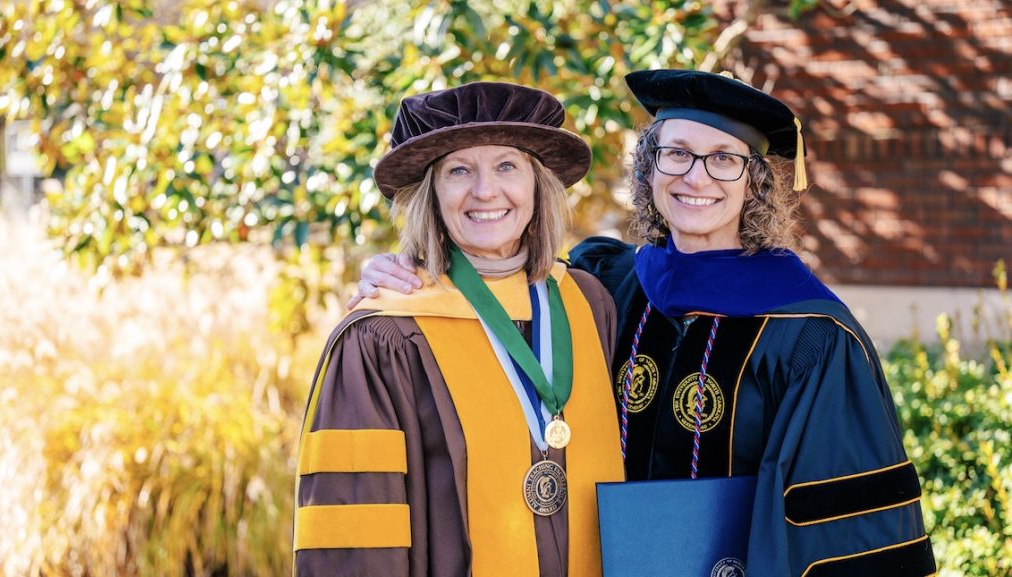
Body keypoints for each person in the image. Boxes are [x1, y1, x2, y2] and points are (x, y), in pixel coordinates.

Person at [351, 69, 937, 576]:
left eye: (723, 159)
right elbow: (492, 304)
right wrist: (412, 270)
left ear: (755, 182)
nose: (696, 177)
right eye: (676, 153)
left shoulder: (809, 332)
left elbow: (840, 522)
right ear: (650, 171)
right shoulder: (605, 286)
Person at [292, 81, 623, 577]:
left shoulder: (587, 300)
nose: (485, 191)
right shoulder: (385, 334)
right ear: (432, 195)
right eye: (459, 171)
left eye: (507, 166)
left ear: (537, 185)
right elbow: (357, 537)